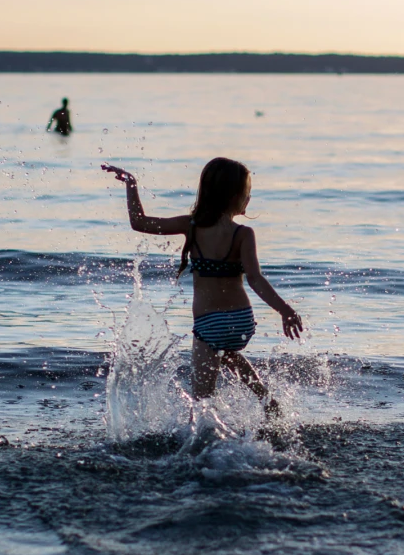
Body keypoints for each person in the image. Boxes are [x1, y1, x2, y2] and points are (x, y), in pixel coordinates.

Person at [102, 158, 303, 409]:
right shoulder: (243, 234)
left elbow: (139, 222)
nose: (249, 199)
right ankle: (264, 398)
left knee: (202, 401)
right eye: (246, 193)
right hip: (242, 321)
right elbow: (255, 279)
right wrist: (285, 310)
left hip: (209, 324)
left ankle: (203, 437)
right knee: (228, 352)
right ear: (235, 198)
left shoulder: (192, 226)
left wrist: (131, 185)